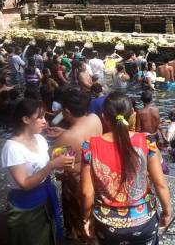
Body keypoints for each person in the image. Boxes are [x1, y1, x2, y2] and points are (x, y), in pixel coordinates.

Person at [80, 92, 172, 244]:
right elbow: (160, 184)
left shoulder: (89, 146)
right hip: (143, 220)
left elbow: (86, 193)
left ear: (104, 117)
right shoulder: (146, 141)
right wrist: (167, 212)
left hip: (107, 224)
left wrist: (85, 219)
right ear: (133, 116)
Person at [1, 98, 74, 244]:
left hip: (45, 194)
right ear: (26, 119)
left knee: (50, 235)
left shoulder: (40, 139)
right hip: (26, 204)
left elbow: (44, 164)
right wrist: (51, 166)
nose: (44, 121)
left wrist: (60, 161)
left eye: (44, 117)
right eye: (39, 117)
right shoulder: (12, 148)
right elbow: (25, 184)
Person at [53, 89, 102, 241]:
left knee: (78, 218)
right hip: (98, 173)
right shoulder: (95, 119)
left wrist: (58, 140)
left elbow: (61, 164)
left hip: (78, 183)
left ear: (66, 111)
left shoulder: (67, 137)